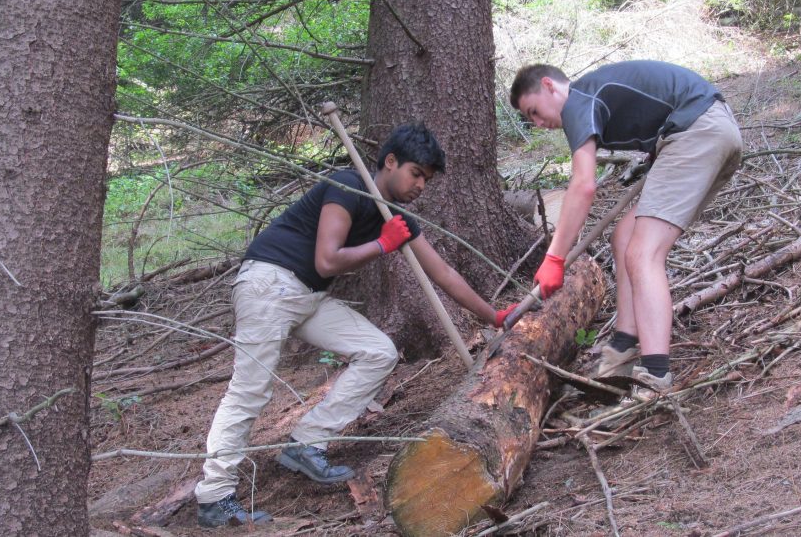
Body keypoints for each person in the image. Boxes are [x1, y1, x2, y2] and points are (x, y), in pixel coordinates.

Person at [194, 123, 517, 528]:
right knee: (251, 390)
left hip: (307, 296)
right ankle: (214, 495)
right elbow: (327, 260)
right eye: (416, 174)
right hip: (269, 284)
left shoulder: (395, 216)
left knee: (379, 351)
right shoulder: (347, 186)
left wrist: (496, 317)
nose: (420, 185)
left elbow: (445, 274)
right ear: (391, 162)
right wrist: (382, 244)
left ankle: (305, 444)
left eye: (427, 180)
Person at [509, 60, 742, 395]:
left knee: (643, 253)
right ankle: (622, 351)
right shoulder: (593, 95)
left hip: (698, 132)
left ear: (549, 86)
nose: (539, 124)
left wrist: (554, 259)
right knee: (625, 238)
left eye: (533, 111)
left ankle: (655, 377)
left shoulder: (578, 100)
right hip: (708, 130)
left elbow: (583, 186)